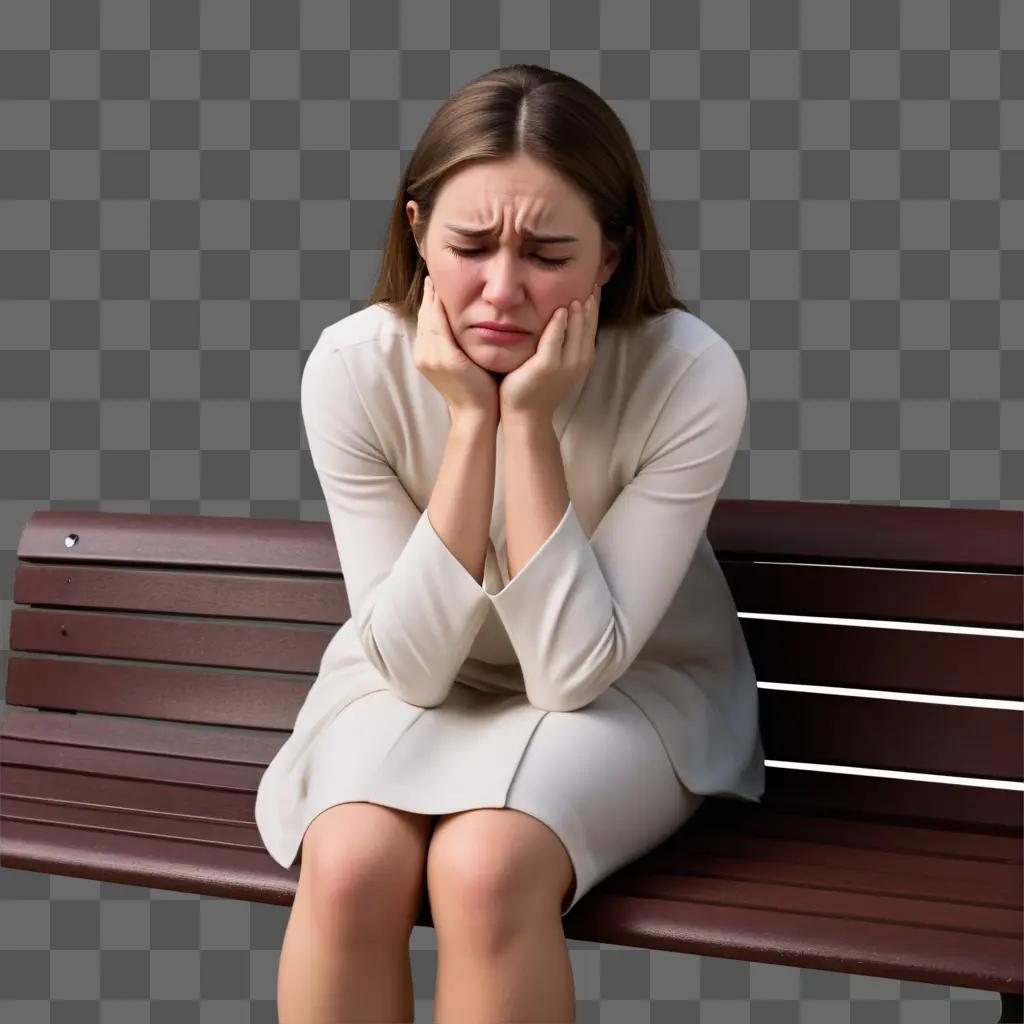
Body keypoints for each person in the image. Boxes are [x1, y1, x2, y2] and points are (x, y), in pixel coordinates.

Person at [259, 63, 766, 1023]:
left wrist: (526, 427)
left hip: (635, 692)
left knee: (486, 864)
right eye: (470, 245)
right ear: (415, 234)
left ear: (613, 254)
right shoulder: (354, 368)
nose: (502, 289)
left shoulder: (687, 374)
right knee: (350, 860)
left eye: (547, 253)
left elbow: (574, 671)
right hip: (418, 682)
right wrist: (467, 429)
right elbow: (408, 667)